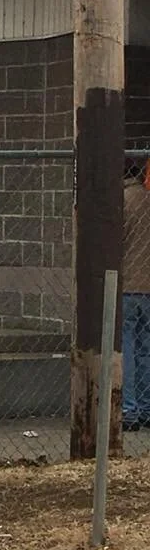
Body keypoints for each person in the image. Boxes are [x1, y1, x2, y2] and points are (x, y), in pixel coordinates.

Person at [122, 160, 150, 429]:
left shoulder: (121, 200)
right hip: (148, 286)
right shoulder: (147, 200)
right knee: (145, 349)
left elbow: (113, 240)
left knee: (127, 348)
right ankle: (145, 407)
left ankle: (128, 410)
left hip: (127, 284)